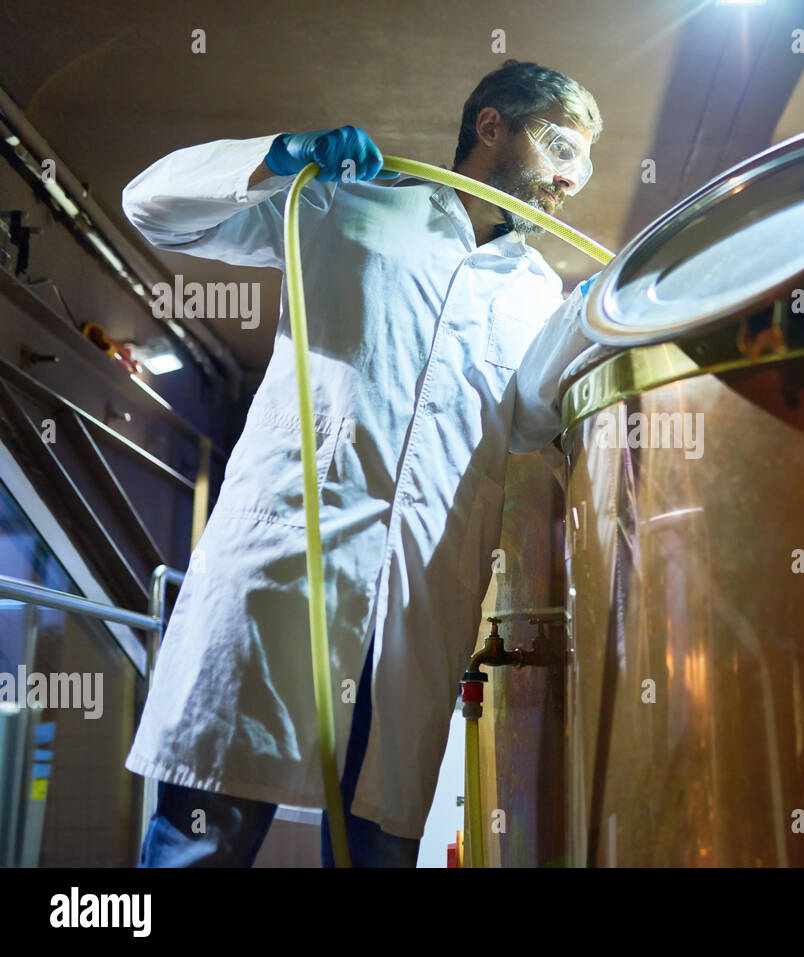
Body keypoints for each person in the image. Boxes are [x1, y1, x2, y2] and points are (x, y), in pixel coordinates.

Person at [124, 59, 602, 867]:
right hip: (279, 581)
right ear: (492, 126)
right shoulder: (346, 203)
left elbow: (526, 424)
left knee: (374, 851)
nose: (568, 176)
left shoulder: (534, 295)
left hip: (415, 614)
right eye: (558, 145)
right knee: (197, 846)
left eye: (583, 163)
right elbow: (154, 206)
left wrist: (604, 321)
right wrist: (280, 155)